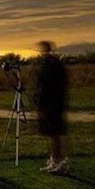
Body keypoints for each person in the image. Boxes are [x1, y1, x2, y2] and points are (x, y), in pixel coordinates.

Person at [32, 41, 69, 175]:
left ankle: (59, 161)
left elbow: (47, 85)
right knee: (51, 133)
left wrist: (41, 101)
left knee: (54, 134)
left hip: (51, 103)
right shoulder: (51, 64)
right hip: (50, 102)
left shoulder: (51, 64)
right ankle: (54, 159)